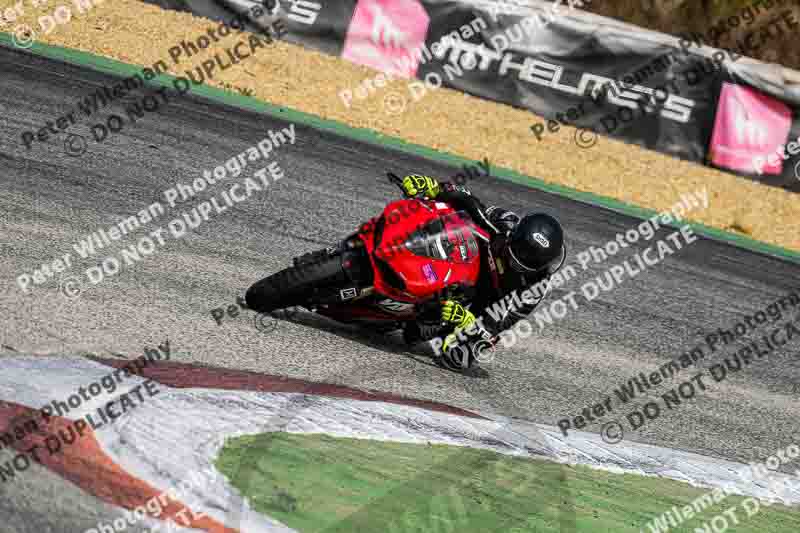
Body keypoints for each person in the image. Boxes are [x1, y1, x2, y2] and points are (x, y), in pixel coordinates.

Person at [398, 174, 566, 370]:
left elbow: (498, 324)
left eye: (520, 266)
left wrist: (466, 320)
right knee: (447, 217)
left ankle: (436, 322)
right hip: (473, 259)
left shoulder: (534, 288)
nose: (512, 263)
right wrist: (435, 187)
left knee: (457, 357)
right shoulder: (506, 221)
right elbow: (468, 201)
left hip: (491, 300)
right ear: (513, 234)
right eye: (511, 255)